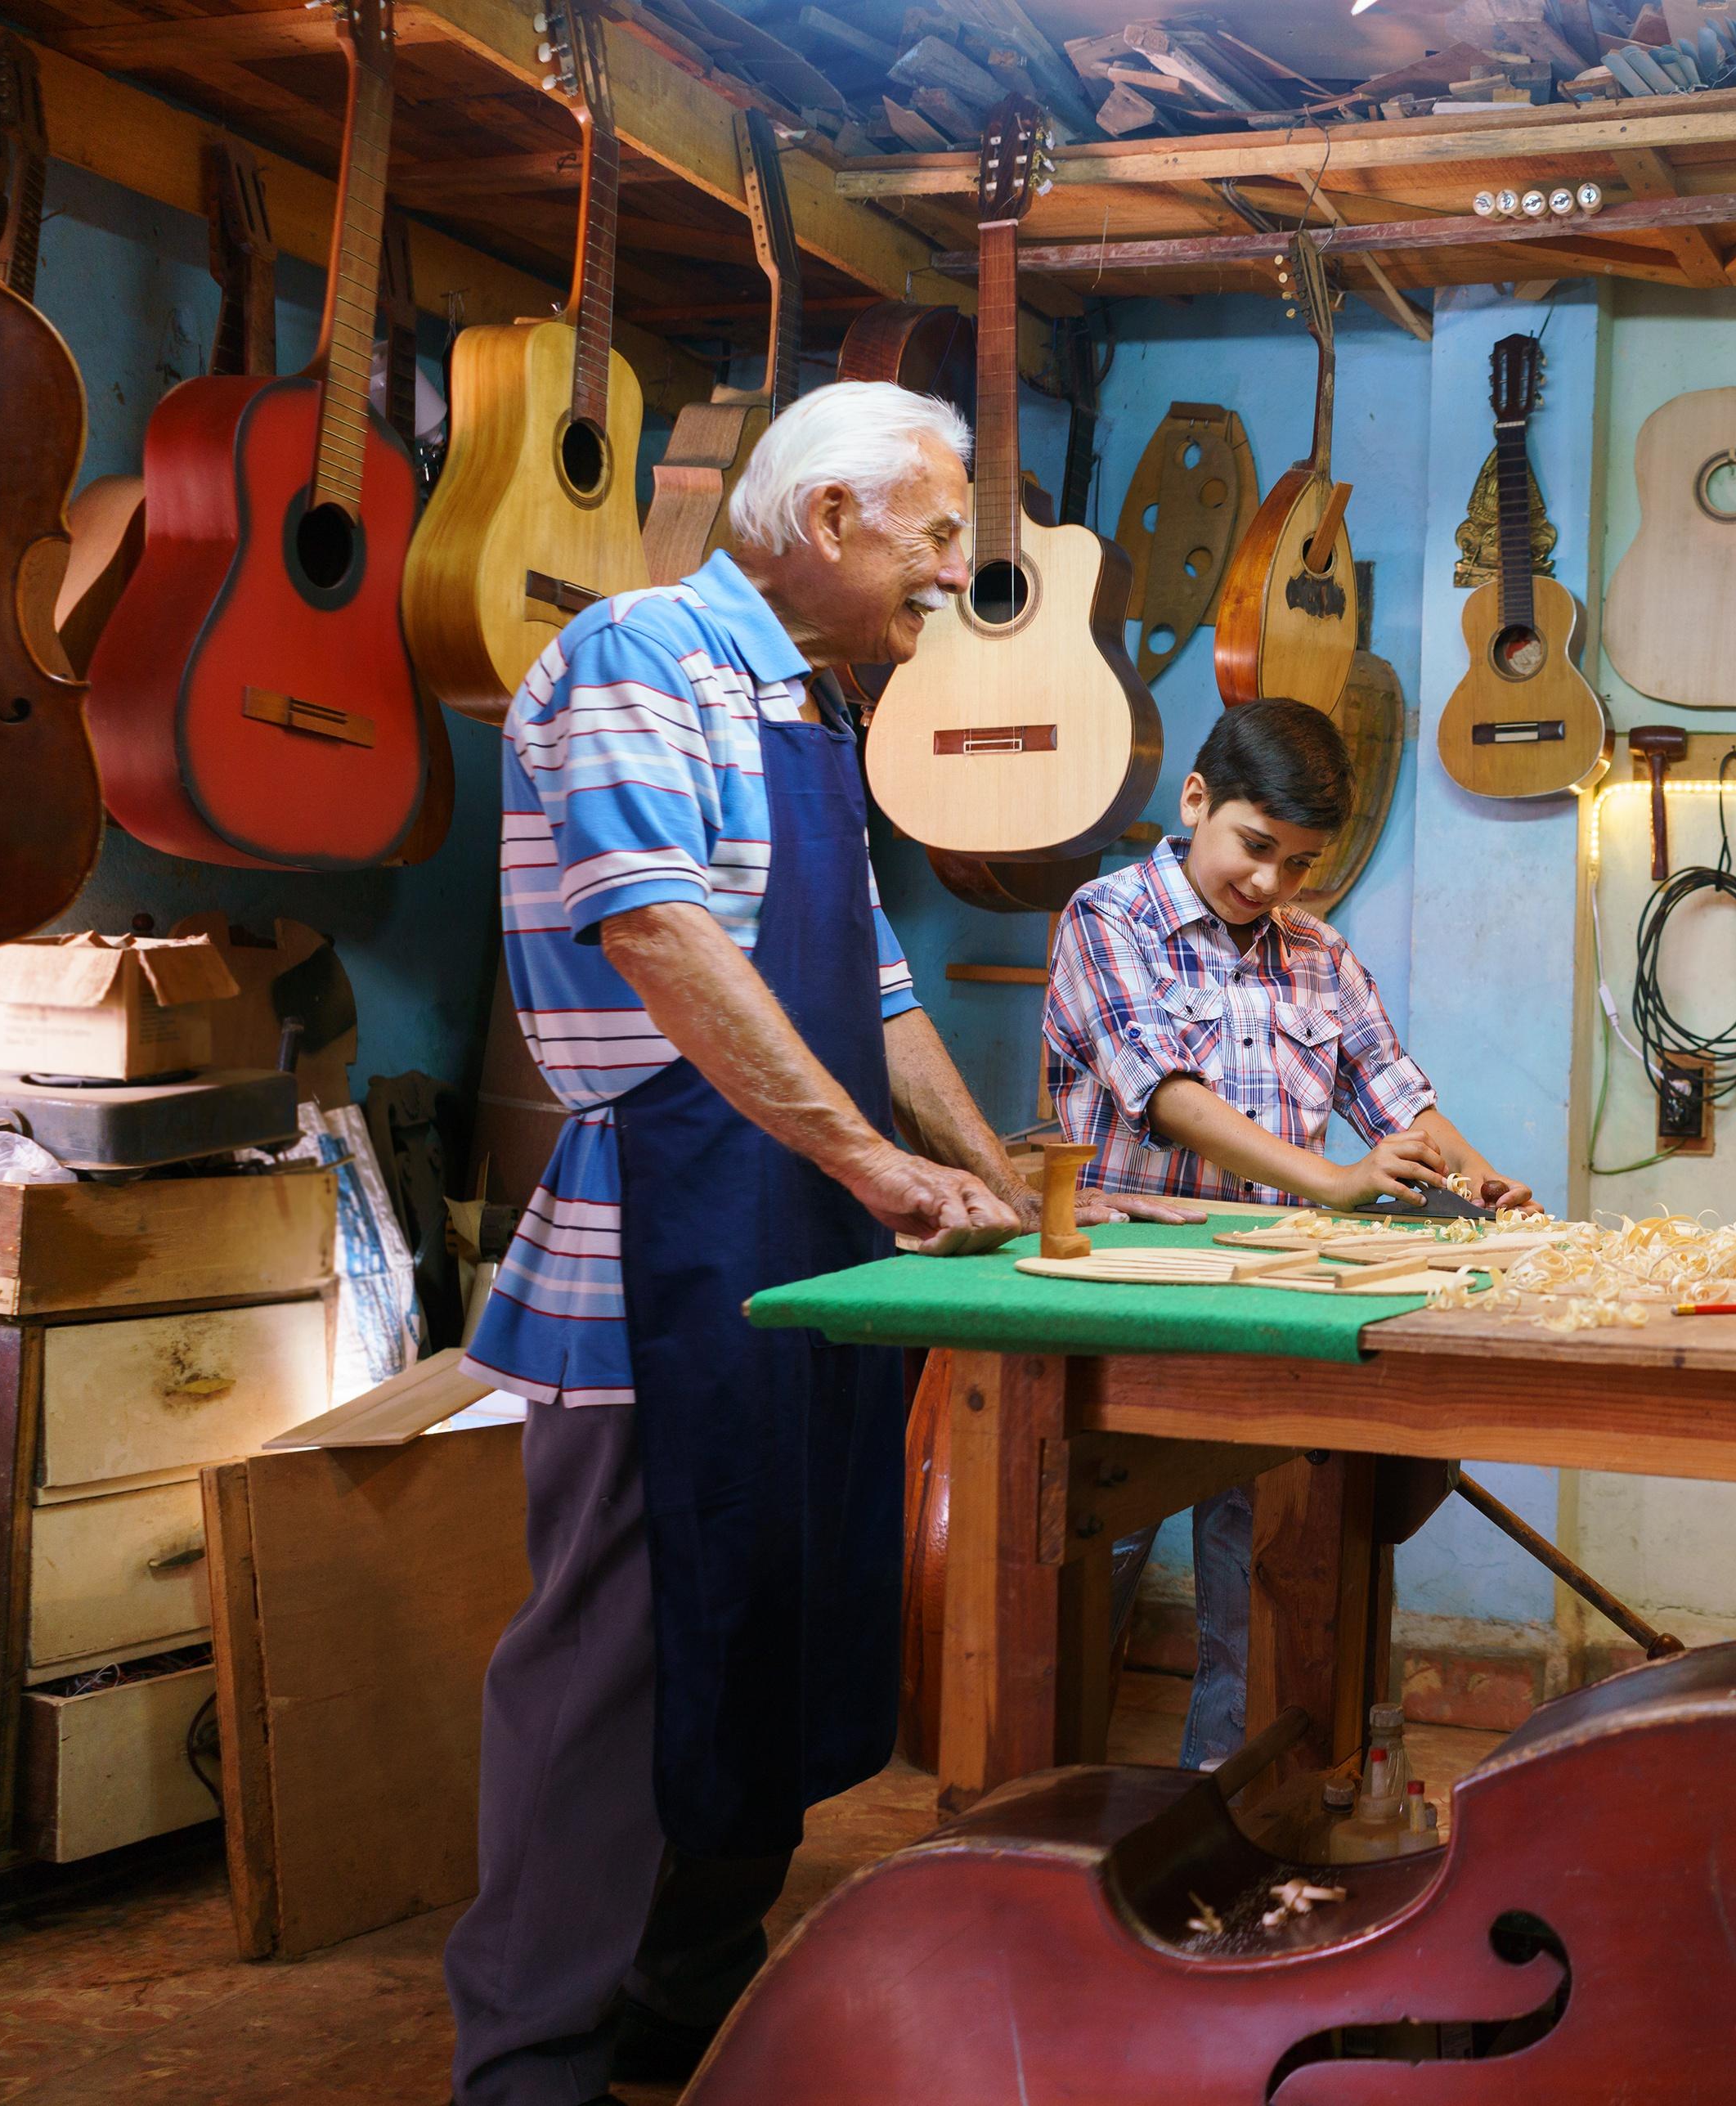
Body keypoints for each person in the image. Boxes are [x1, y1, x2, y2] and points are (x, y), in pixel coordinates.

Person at [446, 381, 1173, 2106]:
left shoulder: (813, 703)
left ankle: (675, 2013)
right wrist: (865, 1155)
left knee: (771, 1629)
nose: (949, 572)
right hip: (661, 1246)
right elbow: (659, 931)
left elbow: (879, 983)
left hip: (803, 1235)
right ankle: (531, 2065)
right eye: (932, 534)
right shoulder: (636, 653)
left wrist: (990, 1168)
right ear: (831, 522)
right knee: (623, 1662)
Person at [1042, 699, 1534, 1765]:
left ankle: (1224, 1838)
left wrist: (1480, 1177)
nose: (1269, 884)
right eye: (1255, 847)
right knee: (1081, 1589)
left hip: (1275, 1315)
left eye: (1298, 865)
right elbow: (1168, 1096)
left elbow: (1399, 1099)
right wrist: (1337, 1181)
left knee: (1262, 1600)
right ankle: (1056, 1853)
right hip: (1126, 1306)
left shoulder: (1317, 953)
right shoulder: (1105, 916)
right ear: (1196, 802)